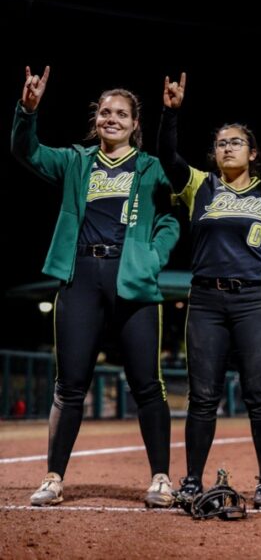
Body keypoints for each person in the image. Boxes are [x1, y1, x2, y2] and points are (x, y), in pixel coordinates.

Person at [11, 66, 180, 507]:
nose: (112, 119)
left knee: (147, 384)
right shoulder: (74, 161)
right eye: (106, 112)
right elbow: (25, 151)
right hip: (81, 278)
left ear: (134, 123)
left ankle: (161, 478)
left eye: (122, 114)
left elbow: (170, 219)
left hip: (133, 280)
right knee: (69, 386)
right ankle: (53, 477)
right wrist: (26, 111)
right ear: (96, 119)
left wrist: (154, 256)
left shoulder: (150, 168)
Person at [158, 73, 261, 509]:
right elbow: (167, 157)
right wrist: (171, 113)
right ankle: (191, 480)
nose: (227, 148)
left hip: (254, 302)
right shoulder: (199, 186)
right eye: (221, 142)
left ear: (253, 152)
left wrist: (257, 277)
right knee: (203, 396)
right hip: (204, 300)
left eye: (236, 142)